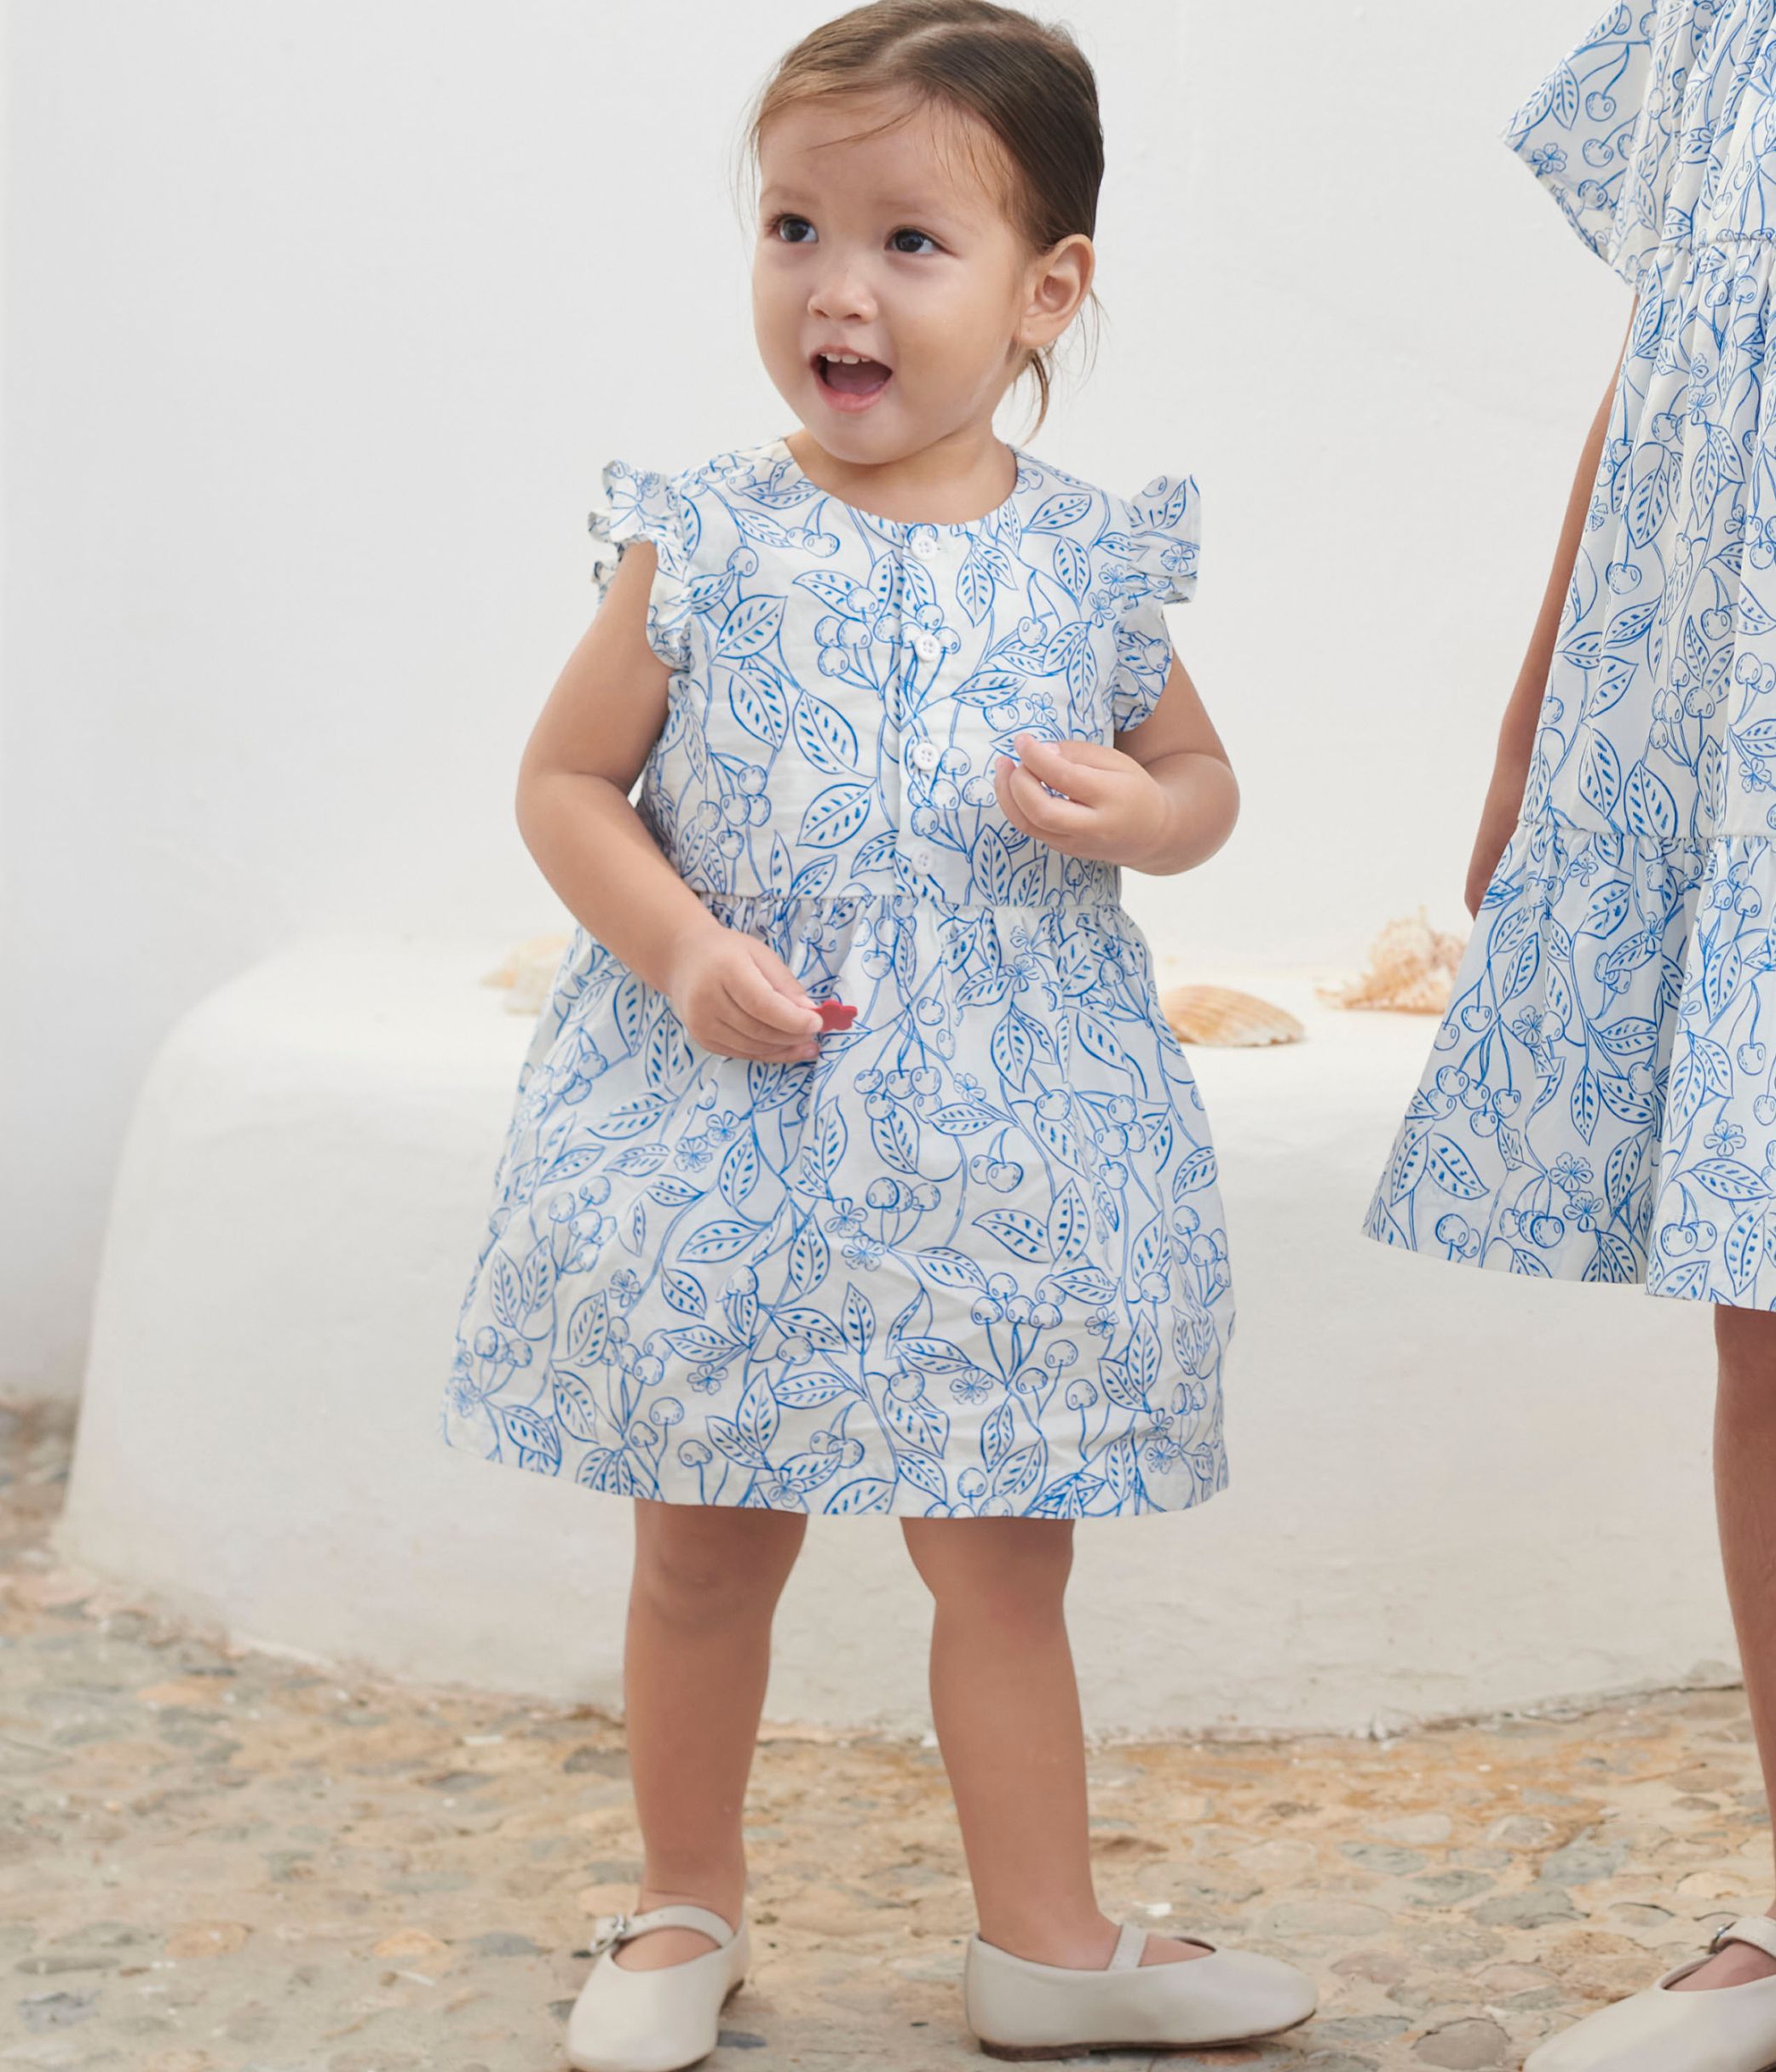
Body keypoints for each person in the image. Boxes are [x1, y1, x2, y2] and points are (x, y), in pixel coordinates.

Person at [439, 3, 1319, 2067]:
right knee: (703, 1542)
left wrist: (1144, 810)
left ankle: (1043, 1931)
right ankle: (681, 1903)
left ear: (1047, 289)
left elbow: (1197, 778)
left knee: (1003, 1560)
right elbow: (563, 786)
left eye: (909, 241)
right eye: (791, 225)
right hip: (734, 1119)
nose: (834, 285)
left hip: (1003, 1145)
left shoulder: (1091, 553)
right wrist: (674, 947)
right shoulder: (706, 537)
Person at [1370, 4, 1776, 2067]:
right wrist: (1540, 708)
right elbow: (1669, 352)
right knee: (1765, 1316)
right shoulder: (1710, 23)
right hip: (1734, 727)